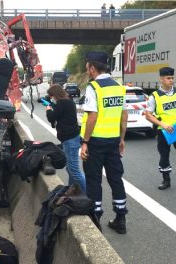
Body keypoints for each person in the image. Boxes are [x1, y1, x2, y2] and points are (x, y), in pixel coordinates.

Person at [80, 51, 128, 234]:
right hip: (113, 141)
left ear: (92, 68)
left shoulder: (94, 88)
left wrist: (85, 141)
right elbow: (124, 115)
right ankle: (120, 218)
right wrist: (122, 138)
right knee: (116, 179)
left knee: (93, 180)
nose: (87, 71)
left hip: (96, 143)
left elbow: (92, 115)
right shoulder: (119, 87)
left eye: (87, 68)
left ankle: (95, 220)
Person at [45, 84, 86, 192]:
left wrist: (48, 109)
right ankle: (71, 191)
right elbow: (61, 114)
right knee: (70, 168)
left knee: (74, 170)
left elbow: (52, 118)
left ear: (55, 94)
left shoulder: (61, 103)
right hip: (72, 137)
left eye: (52, 96)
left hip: (70, 139)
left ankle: (88, 194)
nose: (51, 98)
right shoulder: (68, 101)